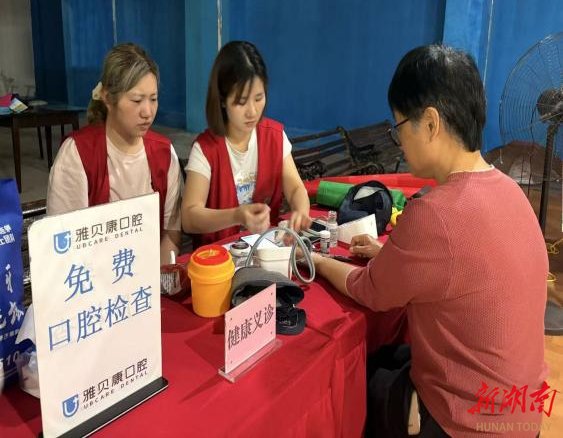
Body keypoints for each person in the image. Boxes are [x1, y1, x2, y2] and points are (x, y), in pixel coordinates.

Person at [311, 45, 548, 437]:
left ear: (431, 123)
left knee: (358, 382)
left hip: (469, 423)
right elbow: (464, 266)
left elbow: (369, 290)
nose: (399, 142)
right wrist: (391, 253)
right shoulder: (510, 191)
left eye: (400, 127)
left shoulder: (435, 213)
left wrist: (317, 260)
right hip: (522, 415)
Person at [47, 43, 182, 265]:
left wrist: (161, 276)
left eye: (153, 99)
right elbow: (63, 243)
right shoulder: (78, 154)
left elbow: (170, 233)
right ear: (109, 99)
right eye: (137, 100)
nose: (148, 112)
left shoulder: (164, 153)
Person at [181, 41, 311, 246]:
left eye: (258, 98)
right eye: (241, 102)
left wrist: (300, 211)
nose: (252, 111)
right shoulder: (206, 149)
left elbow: (295, 188)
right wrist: (236, 215)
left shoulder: (274, 136)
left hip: (265, 250)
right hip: (219, 258)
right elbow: (189, 217)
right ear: (222, 100)